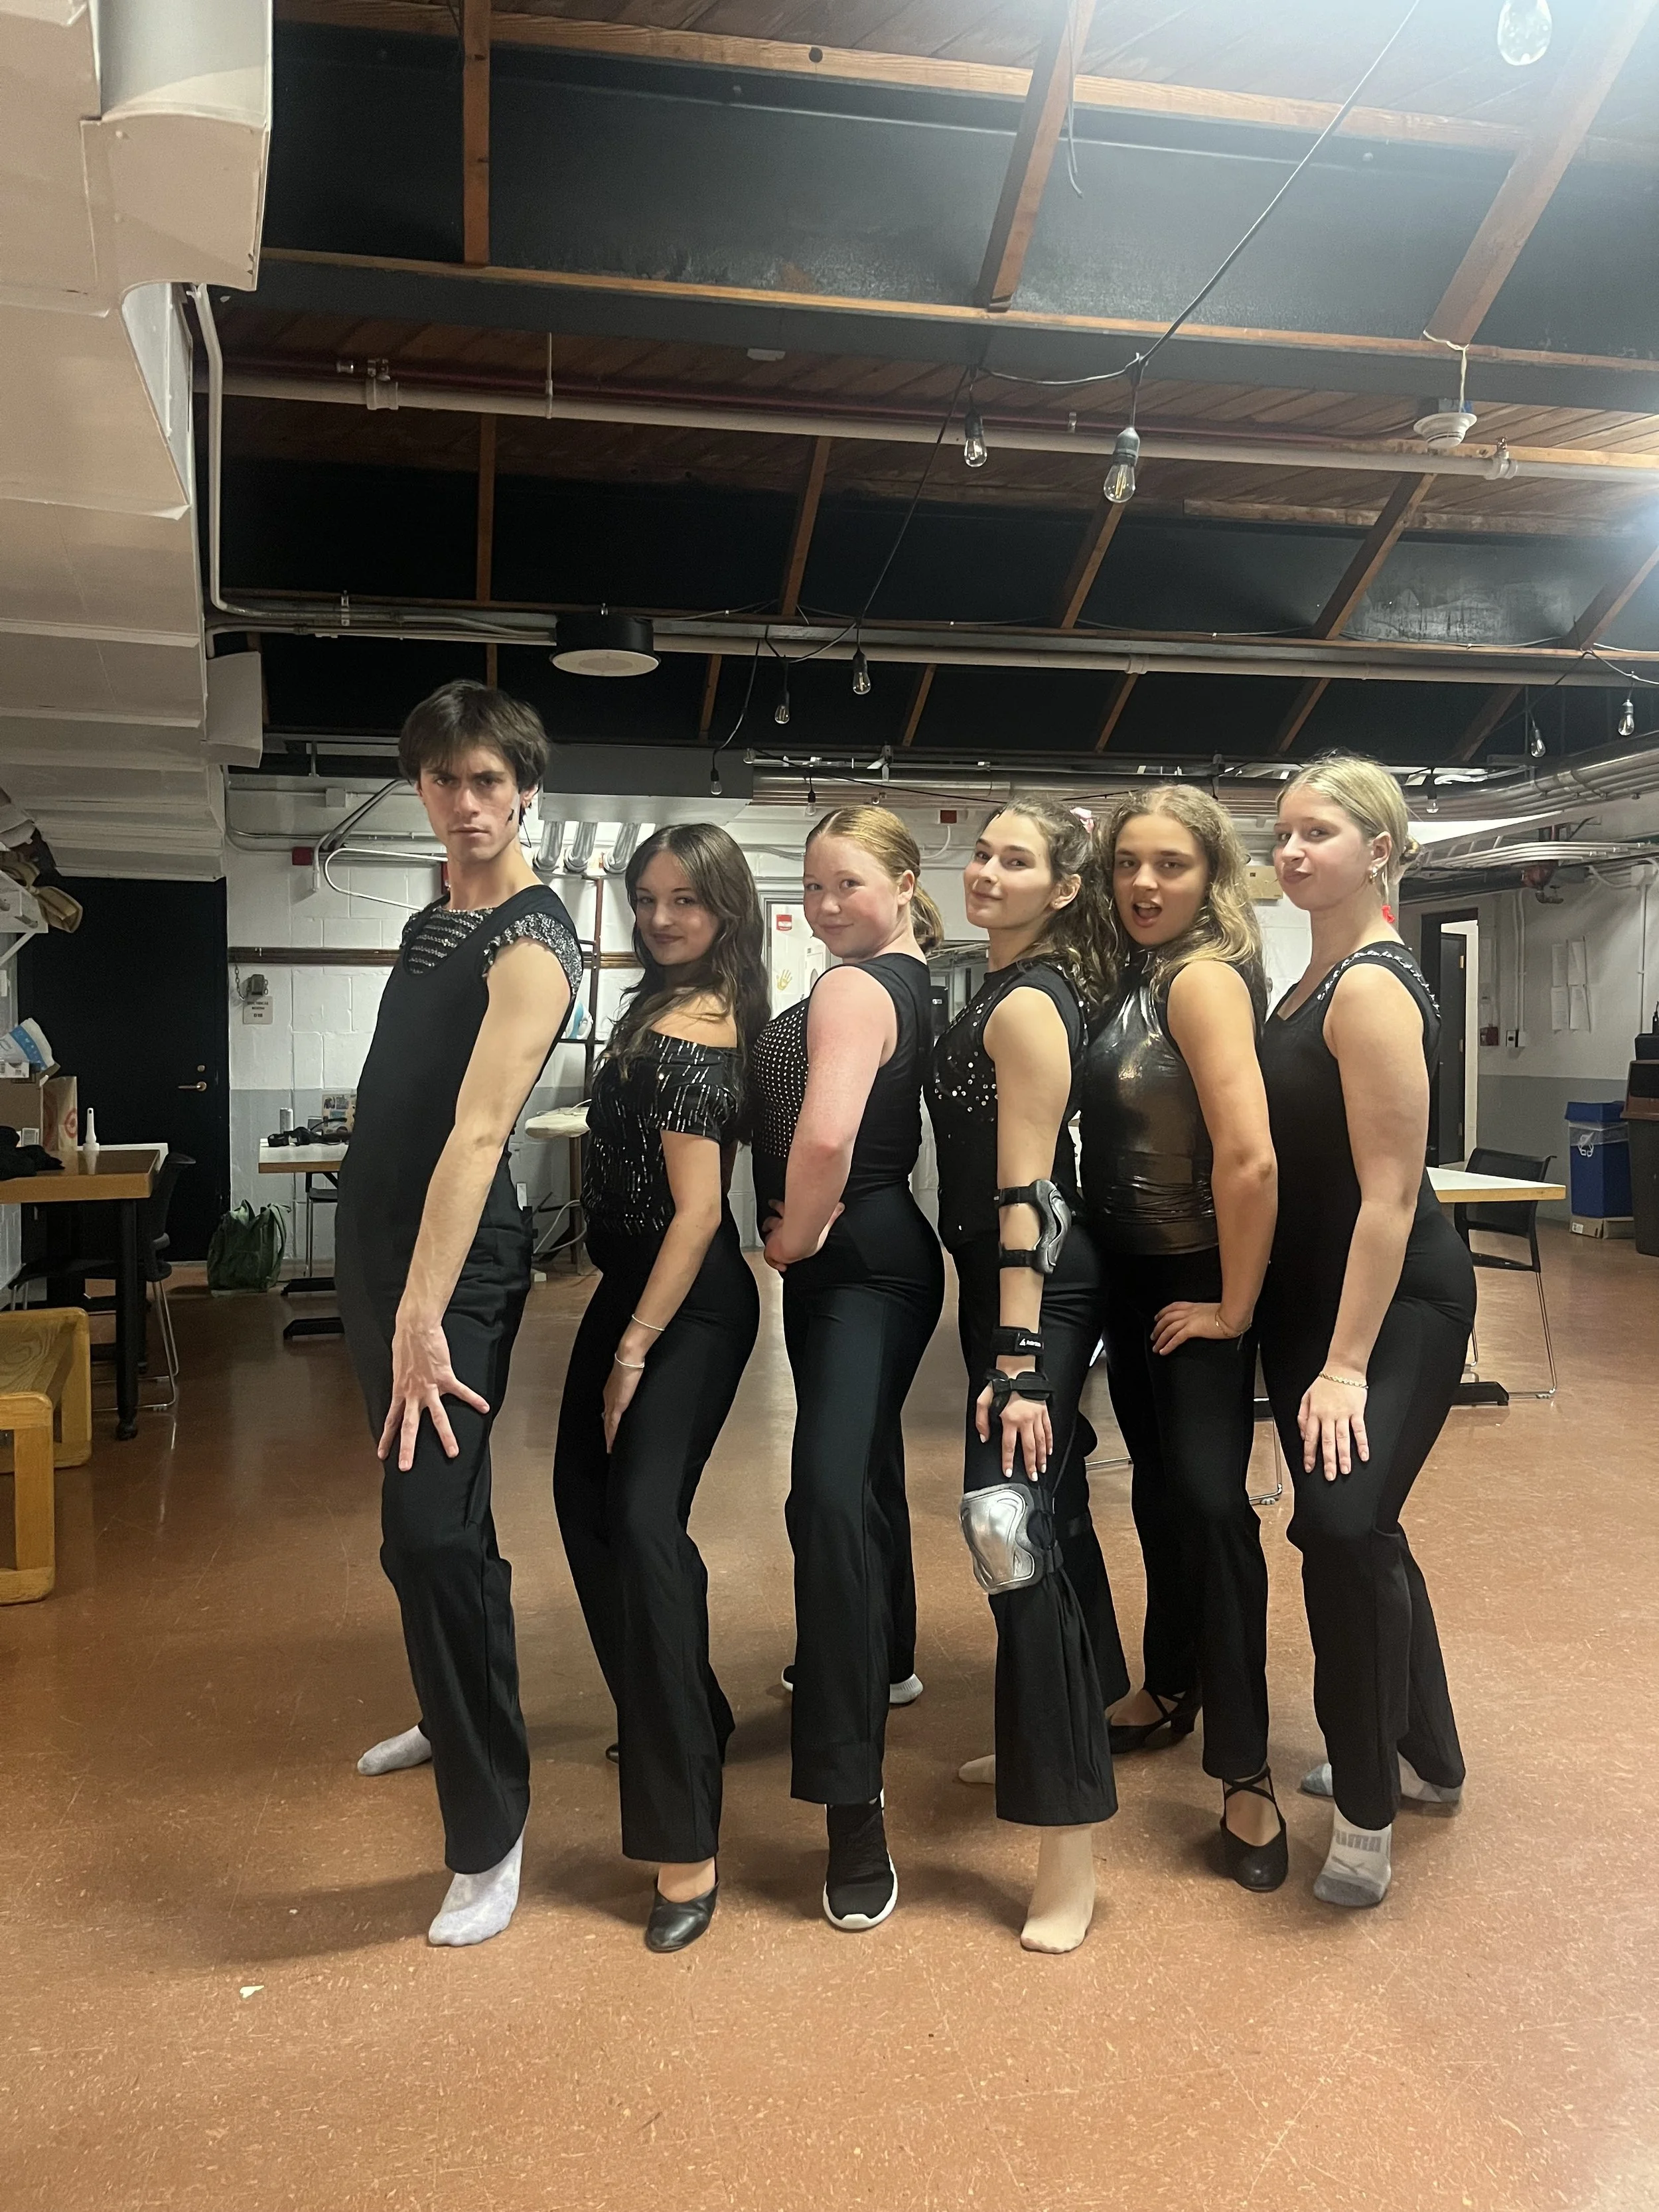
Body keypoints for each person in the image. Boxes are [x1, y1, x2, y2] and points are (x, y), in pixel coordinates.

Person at [340, 680, 580, 1948]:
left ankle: (491, 1837)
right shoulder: (432, 921)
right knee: (422, 1527)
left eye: (489, 781)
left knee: (431, 1527)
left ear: (524, 789)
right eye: (445, 780)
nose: (468, 802)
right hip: (375, 1248)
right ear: (421, 789)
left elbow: (481, 1132)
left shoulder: (533, 943)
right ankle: (451, 1708)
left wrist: (424, 1312)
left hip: (455, 1267)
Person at [1258, 753, 1475, 1909]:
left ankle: (1368, 1805)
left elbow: (1391, 1194)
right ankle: (1427, 1751)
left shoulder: (1375, 986)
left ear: (1379, 849)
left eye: (1321, 832)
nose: (1293, 851)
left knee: (1341, 1524)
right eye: (1284, 832)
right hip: (1311, 1301)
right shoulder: (1303, 984)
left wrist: (1345, 1365)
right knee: (1367, 1525)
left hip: (1394, 1304)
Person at [551, 824, 768, 1953]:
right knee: (584, 1507)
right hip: (634, 1284)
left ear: (727, 908)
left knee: (640, 1524)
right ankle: (683, 1706)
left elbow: (697, 1214)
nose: (661, 920)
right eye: (647, 900)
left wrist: (634, 1349)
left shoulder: (699, 1027)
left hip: (687, 1301)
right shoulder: (652, 1003)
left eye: (685, 901)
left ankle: (685, 1845)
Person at [928, 800, 1125, 1954]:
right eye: (983, 852)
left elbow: (1030, 1195)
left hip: (1035, 1292)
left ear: (1062, 889)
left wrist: (1016, 1358)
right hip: (1004, 1293)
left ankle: (1069, 1841)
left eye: (1017, 860)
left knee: (1006, 1524)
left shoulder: (1033, 1008)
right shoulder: (995, 991)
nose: (987, 871)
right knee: (1045, 1517)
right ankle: (1061, 1719)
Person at [1080, 789, 1283, 1890]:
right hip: (1133, 1274)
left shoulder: (1201, 980)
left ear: (1214, 876)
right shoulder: (1135, 977)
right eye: (1127, 866)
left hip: (1199, 1274)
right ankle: (1170, 1683)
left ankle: (1244, 1770)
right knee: (1158, 1488)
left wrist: (1235, 1307)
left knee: (1210, 1501)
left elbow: (1248, 1158)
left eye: (1172, 865)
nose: (1146, 885)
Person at [753, 806, 946, 1932]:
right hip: (886, 1258)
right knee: (864, 1473)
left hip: (854, 1255)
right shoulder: (912, 978)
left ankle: (852, 1806)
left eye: (849, 884)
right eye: (813, 887)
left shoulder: (854, 987)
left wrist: (791, 1238)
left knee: (823, 1499)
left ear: (908, 883)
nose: (826, 907)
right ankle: (891, 1661)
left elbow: (824, 1141)